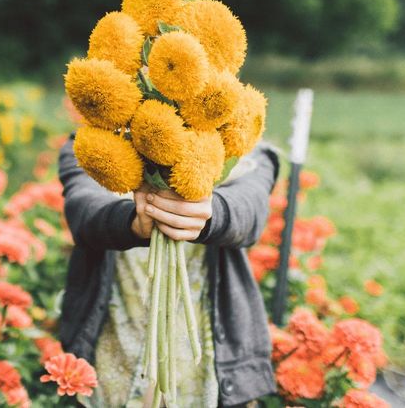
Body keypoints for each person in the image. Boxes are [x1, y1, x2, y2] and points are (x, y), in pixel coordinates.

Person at [58, 132, 280, 407]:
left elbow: (249, 208)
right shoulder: (91, 144)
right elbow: (84, 210)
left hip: (209, 369)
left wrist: (209, 214)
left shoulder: (245, 147)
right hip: (113, 356)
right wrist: (132, 222)